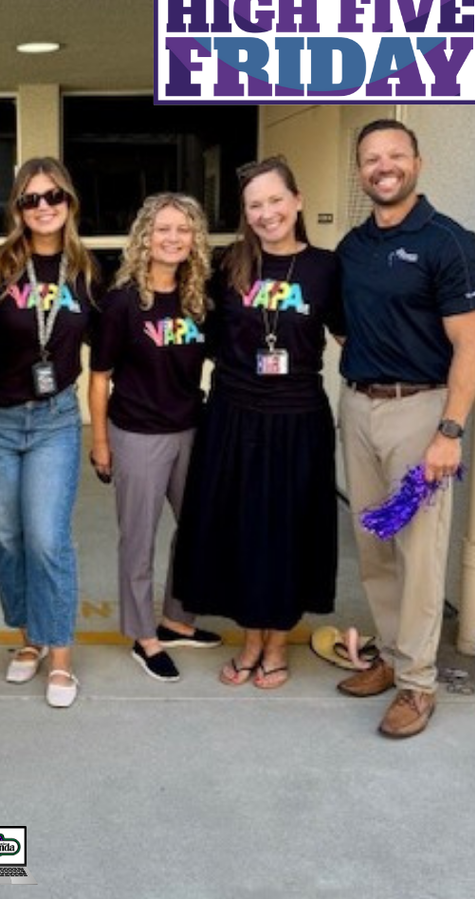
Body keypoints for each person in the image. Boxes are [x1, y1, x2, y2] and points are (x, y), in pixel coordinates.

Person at [336, 120, 475, 738]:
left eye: (395, 155)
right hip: (358, 405)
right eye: (372, 159)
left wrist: (449, 431)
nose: (384, 166)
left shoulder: (450, 243)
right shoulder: (353, 246)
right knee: (374, 545)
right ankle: (392, 655)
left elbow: (472, 347)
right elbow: (348, 324)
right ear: (361, 172)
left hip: (422, 413)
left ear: (418, 163)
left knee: (419, 552)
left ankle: (418, 684)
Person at [173, 157, 345, 689]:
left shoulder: (325, 268)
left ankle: (278, 642)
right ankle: (251, 636)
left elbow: (352, 337)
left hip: (297, 420)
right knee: (241, 533)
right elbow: (188, 327)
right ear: (246, 215)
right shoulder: (229, 266)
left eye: (276, 200)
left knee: (288, 535)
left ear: (296, 201)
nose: (267, 213)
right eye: (255, 205)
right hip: (233, 415)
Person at [0, 157, 98, 708]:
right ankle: (31, 639)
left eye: (54, 197)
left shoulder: (90, 270)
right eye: (30, 199)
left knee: (47, 537)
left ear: (69, 202)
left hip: (54, 420)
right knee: (4, 536)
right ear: (16, 208)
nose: (44, 207)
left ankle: (60, 656)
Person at [88, 193, 222, 682]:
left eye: (183, 230)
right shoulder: (122, 302)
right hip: (138, 435)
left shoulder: (197, 298)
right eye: (162, 229)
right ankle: (144, 636)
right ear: (145, 235)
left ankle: (176, 620)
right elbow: (99, 376)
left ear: (195, 239)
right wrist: (101, 443)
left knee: (195, 532)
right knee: (139, 540)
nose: (172, 238)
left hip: (191, 429)